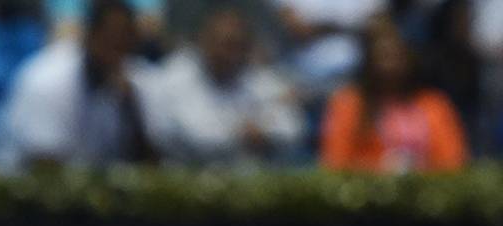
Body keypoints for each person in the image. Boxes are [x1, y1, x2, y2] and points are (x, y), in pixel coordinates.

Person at [0, 0, 157, 174]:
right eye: (110, 39)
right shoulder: (49, 78)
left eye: (125, 42)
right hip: (17, 187)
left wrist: (130, 109)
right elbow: (45, 168)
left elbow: (149, 165)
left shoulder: (132, 81)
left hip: (86, 186)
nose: (117, 51)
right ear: (89, 36)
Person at [147, 8, 306, 165]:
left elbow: (293, 128)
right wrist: (244, 133)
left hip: (246, 180)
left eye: (241, 45)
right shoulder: (175, 76)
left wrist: (265, 135)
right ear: (203, 40)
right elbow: (197, 137)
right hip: (187, 177)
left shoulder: (258, 78)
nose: (233, 54)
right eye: (227, 44)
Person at [320, 17, 469, 173]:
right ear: (370, 61)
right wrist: (381, 169)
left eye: (397, 56)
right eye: (384, 56)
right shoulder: (349, 104)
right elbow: (335, 162)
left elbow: (453, 160)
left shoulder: (434, 104)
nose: (390, 65)